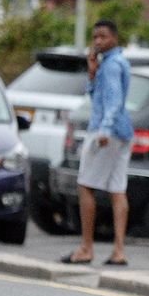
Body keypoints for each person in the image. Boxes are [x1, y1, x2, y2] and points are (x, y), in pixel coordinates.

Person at [61, 20, 133, 266]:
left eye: (103, 36)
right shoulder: (114, 63)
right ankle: (119, 251)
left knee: (85, 186)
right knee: (117, 189)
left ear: (115, 37)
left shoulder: (112, 65)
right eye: (95, 37)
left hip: (105, 131)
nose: (98, 41)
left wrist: (104, 130)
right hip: (123, 131)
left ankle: (86, 248)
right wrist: (92, 74)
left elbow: (113, 101)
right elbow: (98, 96)